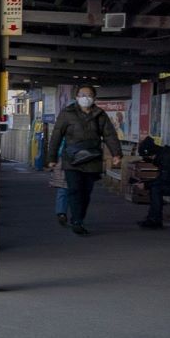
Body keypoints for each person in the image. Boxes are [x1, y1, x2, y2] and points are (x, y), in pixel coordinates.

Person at [49, 85, 122, 235]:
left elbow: (109, 135)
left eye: (89, 95)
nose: (85, 98)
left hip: (92, 159)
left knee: (86, 192)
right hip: (72, 159)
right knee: (74, 189)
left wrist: (116, 153)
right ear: (76, 97)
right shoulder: (67, 113)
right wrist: (52, 157)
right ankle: (77, 222)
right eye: (82, 95)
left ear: (94, 98)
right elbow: (56, 135)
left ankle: (79, 217)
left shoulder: (100, 114)